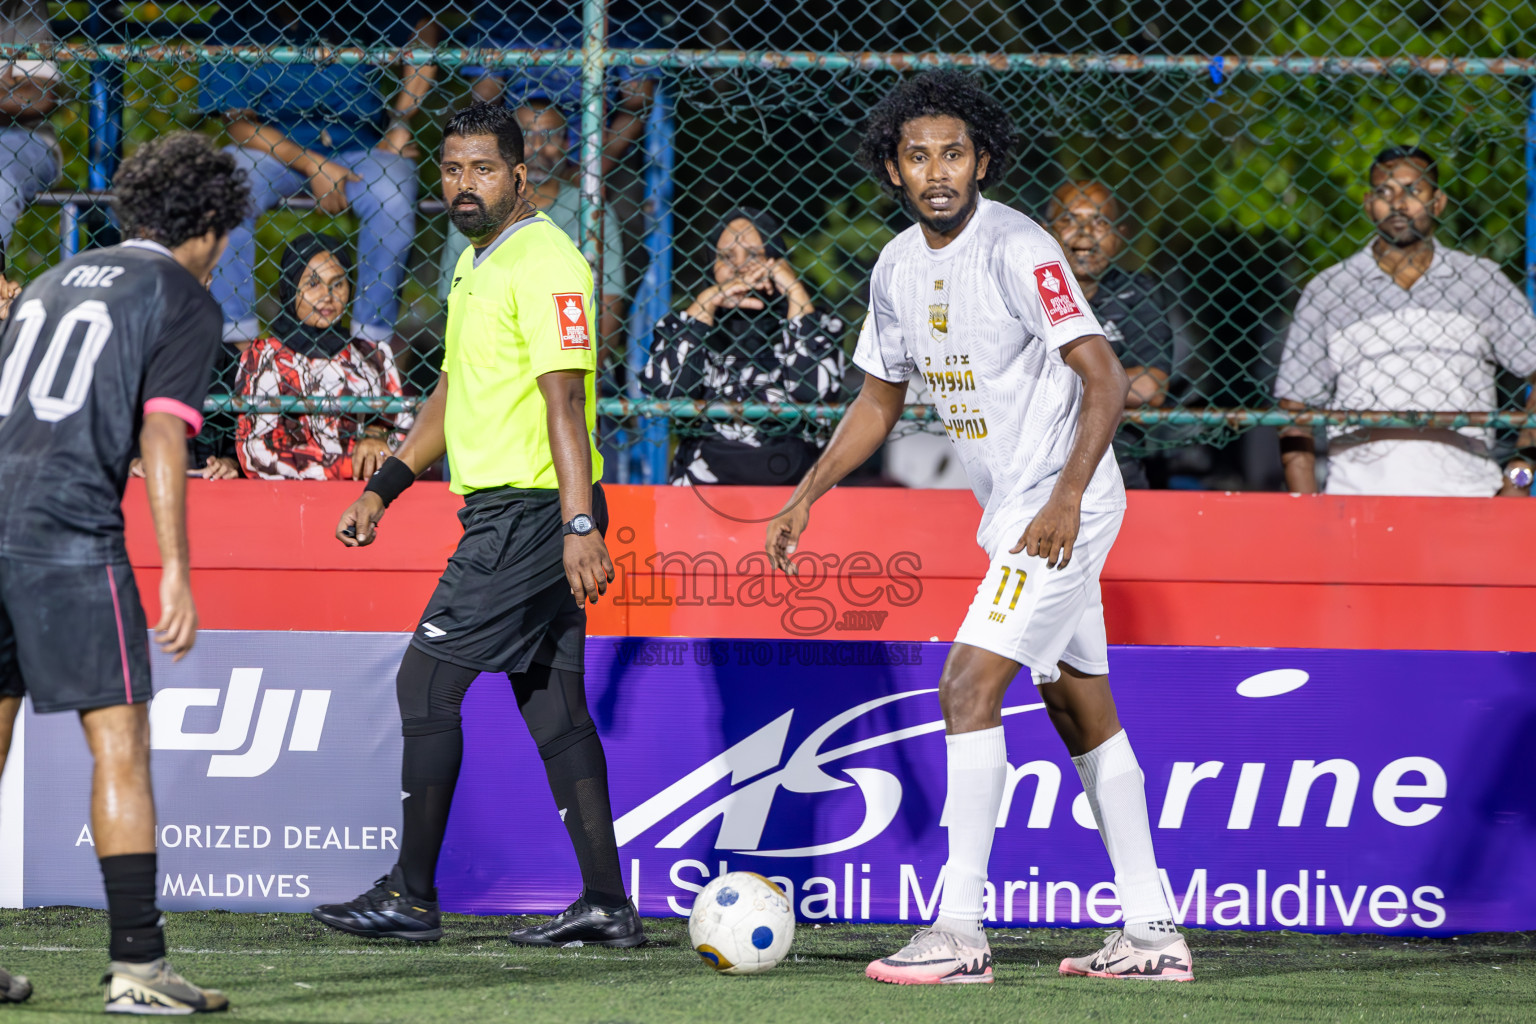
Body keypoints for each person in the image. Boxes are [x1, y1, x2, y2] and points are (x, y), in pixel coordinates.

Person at [765, 71, 1192, 985]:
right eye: (918, 156)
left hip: (1060, 508)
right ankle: (1154, 935)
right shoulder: (894, 267)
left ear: (982, 160)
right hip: (1017, 512)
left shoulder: (1019, 246)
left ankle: (959, 933)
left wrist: (1066, 499)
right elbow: (878, 402)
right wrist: (807, 492)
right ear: (893, 169)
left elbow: (1105, 378)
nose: (938, 171)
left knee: (966, 684)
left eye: (953, 153)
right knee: (1081, 708)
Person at [312, 102, 642, 949]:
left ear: (520, 176)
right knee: (554, 710)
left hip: (533, 513)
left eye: (483, 169)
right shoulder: (474, 261)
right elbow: (452, 394)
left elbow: (565, 402)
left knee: (425, 687)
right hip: (517, 511)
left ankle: (412, 896)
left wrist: (578, 522)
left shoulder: (548, 260)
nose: (465, 184)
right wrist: (385, 487)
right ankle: (606, 905)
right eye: (453, 169)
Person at [0, 131, 248, 1013]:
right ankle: (139, 969)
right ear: (211, 224)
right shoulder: (182, 296)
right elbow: (163, 433)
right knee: (120, 744)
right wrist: (176, 565)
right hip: (67, 531)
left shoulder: (49, 280)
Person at [1276, 146, 1536, 496]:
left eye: (1414, 190)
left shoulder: (1482, 282)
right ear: (1368, 204)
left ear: (1438, 202)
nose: (1399, 204)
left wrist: (1519, 482)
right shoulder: (1330, 290)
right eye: (1385, 192)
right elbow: (1294, 409)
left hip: (1469, 499)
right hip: (1356, 500)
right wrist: (1308, 511)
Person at [199, 2, 430, 345]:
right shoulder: (232, 22)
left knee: (393, 197)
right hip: (273, 149)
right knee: (224, 186)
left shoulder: (358, 8)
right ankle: (238, 340)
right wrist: (312, 164)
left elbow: (423, 27)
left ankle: (370, 343)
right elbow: (238, 125)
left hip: (362, 148)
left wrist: (400, 121)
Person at [641, 207, 846, 485]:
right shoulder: (687, 325)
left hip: (797, 490)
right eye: (726, 257)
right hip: (702, 488)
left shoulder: (817, 324)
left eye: (753, 256)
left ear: (776, 260)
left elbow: (817, 392)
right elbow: (666, 392)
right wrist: (705, 304)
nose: (739, 267)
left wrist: (795, 292)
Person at [439, 100, 626, 369]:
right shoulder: (475, 211)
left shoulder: (592, 210)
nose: (537, 146)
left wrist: (584, 367)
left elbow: (610, 306)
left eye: (550, 136)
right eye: (526, 136)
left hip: (574, 360)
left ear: (567, 143)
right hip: (490, 365)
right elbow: (455, 309)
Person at [235, 234, 413, 479]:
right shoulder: (264, 356)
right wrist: (350, 465)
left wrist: (378, 437)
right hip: (289, 495)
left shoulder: (374, 355)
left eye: (337, 284)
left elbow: (405, 433)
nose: (327, 295)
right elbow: (255, 452)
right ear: (289, 287)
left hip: (368, 493)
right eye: (313, 283)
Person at [1046, 181, 1174, 488]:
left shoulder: (1136, 293)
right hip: (1038, 462)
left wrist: (1049, 388)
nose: (1085, 233)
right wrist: (1109, 385)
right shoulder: (1024, 293)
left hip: (1118, 465)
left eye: (1100, 222)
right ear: (1046, 231)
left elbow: (1150, 387)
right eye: (1069, 220)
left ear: (1118, 236)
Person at [0, 0, 63, 259]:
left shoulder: (20, 5)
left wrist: (16, 92)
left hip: (21, 137)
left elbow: (39, 96)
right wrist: (6, 87)